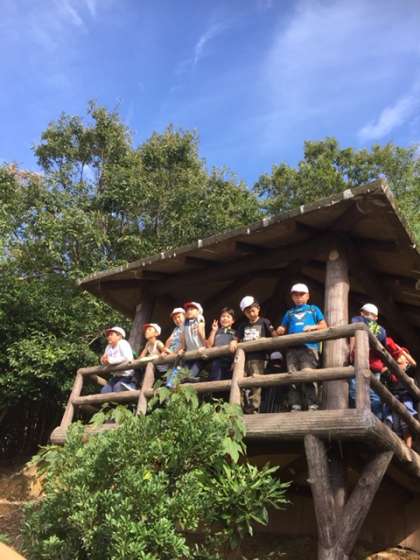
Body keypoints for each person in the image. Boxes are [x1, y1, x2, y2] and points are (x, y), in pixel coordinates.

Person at [276, 283, 327, 411]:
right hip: (292, 349)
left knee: (308, 375)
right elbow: (282, 327)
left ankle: (312, 405)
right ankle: (295, 405)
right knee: (293, 376)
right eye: (295, 295)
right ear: (292, 297)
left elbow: (324, 325)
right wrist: (280, 329)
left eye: (301, 294)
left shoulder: (313, 309)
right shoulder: (289, 313)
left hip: (309, 347)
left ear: (308, 296)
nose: (298, 297)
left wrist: (313, 327)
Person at [229, 296, 276, 413]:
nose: (250, 313)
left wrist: (269, 338)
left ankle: (253, 408)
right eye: (247, 312)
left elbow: (274, 336)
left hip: (259, 358)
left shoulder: (264, 322)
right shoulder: (242, 326)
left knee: (256, 383)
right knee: (240, 382)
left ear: (258, 308)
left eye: (252, 310)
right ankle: (238, 408)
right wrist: (233, 342)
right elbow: (236, 338)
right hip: (243, 359)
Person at [349, 303, 386, 418]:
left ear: (362, 313)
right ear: (376, 317)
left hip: (359, 362)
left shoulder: (358, 320)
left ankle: (359, 416)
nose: (362, 314)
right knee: (374, 394)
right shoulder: (382, 330)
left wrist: (350, 352)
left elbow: (353, 336)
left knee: (355, 391)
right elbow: (383, 348)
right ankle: (377, 418)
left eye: (363, 312)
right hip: (375, 365)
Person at [383, 337, 417, 448]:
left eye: (403, 357)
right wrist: (393, 360)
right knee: (391, 422)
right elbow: (383, 370)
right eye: (398, 356)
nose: (400, 357)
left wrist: (401, 350)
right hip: (393, 400)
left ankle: (408, 448)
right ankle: (391, 445)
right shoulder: (391, 372)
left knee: (405, 423)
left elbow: (413, 364)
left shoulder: (408, 372)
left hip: (405, 399)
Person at [100, 326, 136, 393]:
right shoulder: (108, 347)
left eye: (111, 334)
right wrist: (103, 361)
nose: (109, 337)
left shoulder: (123, 343)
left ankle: (132, 385)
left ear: (119, 336)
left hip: (127, 375)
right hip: (116, 376)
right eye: (108, 335)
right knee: (105, 391)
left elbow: (127, 358)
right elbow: (105, 359)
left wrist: (110, 360)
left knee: (118, 388)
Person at [207, 307, 237, 382]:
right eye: (223, 316)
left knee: (227, 383)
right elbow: (209, 345)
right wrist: (213, 331)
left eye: (228, 317)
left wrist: (234, 362)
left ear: (233, 321)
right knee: (215, 380)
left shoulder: (235, 333)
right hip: (216, 361)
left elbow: (237, 348)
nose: (225, 318)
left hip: (229, 361)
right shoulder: (216, 332)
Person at [178, 301, 206, 380]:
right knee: (183, 374)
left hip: (199, 351)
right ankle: (191, 379)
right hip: (189, 353)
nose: (189, 311)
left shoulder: (199, 318)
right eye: (188, 310)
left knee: (191, 373)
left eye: (192, 309)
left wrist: (204, 346)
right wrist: (183, 348)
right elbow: (182, 336)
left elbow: (201, 331)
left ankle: (193, 379)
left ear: (198, 311)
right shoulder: (184, 322)